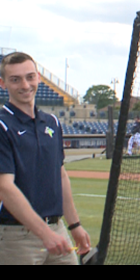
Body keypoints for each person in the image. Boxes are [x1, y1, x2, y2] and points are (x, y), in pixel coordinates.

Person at [0, 52, 91, 265]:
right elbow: (5, 187)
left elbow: (60, 176)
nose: (25, 84)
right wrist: (44, 234)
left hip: (56, 228)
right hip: (15, 235)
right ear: (3, 84)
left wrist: (74, 225)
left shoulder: (52, 123)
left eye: (30, 77)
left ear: (38, 77)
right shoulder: (3, 126)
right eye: (15, 79)